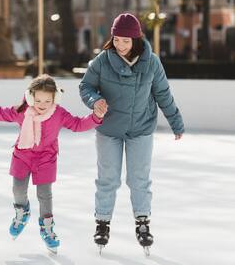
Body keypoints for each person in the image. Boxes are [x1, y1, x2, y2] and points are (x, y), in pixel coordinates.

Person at [0, 74, 104, 253]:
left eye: (47, 101)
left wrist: (96, 117)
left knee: (45, 194)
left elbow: (77, 124)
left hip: (46, 158)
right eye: (38, 100)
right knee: (18, 189)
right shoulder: (22, 111)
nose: (42, 105)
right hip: (23, 155)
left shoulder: (59, 113)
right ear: (30, 97)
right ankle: (22, 212)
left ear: (55, 98)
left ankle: (47, 228)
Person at [79, 13, 185, 255]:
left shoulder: (152, 62)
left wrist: (176, 122)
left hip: (141, 128)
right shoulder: (103, 61)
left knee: (139, 179)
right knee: (108, 178)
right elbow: (85, 86)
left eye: (126, 41)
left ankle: (142, 222)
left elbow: (163, 95)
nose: (120, 45)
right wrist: (95, 101)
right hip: (109, 129)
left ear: (136, 39)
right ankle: (102, 222)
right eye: (117, 40)